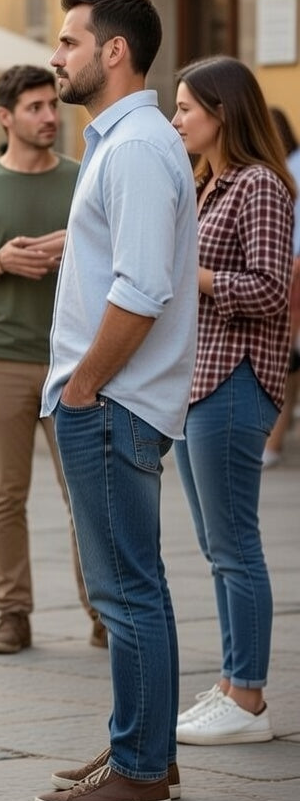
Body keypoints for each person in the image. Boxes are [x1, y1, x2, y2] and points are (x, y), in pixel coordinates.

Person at [33, 0, 199, 801]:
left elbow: (142, 287)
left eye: (69, 42)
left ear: (114, 52)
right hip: (115, 402)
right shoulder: (129, 142)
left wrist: (86, 384)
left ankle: (139, 769)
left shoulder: (134, 148)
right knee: (138, 587)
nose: (56, 56)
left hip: (110, 403)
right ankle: (145, 750)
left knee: (126, 591)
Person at [0, 64, 101, 655]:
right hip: (0, 355)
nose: (49, 117)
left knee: (84, 493)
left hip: (78, 358)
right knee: (5, 494)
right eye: (35, 107)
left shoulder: (84, 179)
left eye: (52, 106)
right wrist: (0, 263)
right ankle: (13, 614)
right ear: (6, 116)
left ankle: (103, 611)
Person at [170, 57, 295, 746]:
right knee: (218, 546)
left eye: (187, 107)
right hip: (195, 382)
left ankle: (248, 697)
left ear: (223, 111)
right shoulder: (206, 183)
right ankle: (230, 682)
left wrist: (198, 276)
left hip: (235, 379)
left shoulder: (261, 187)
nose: (177, 119)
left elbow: (273, 290)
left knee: (236, 544)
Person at [262, 107, 300, 468]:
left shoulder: (289, 169)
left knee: (284, 363)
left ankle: (272, 445)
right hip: (288, 274)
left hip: (292, 278)